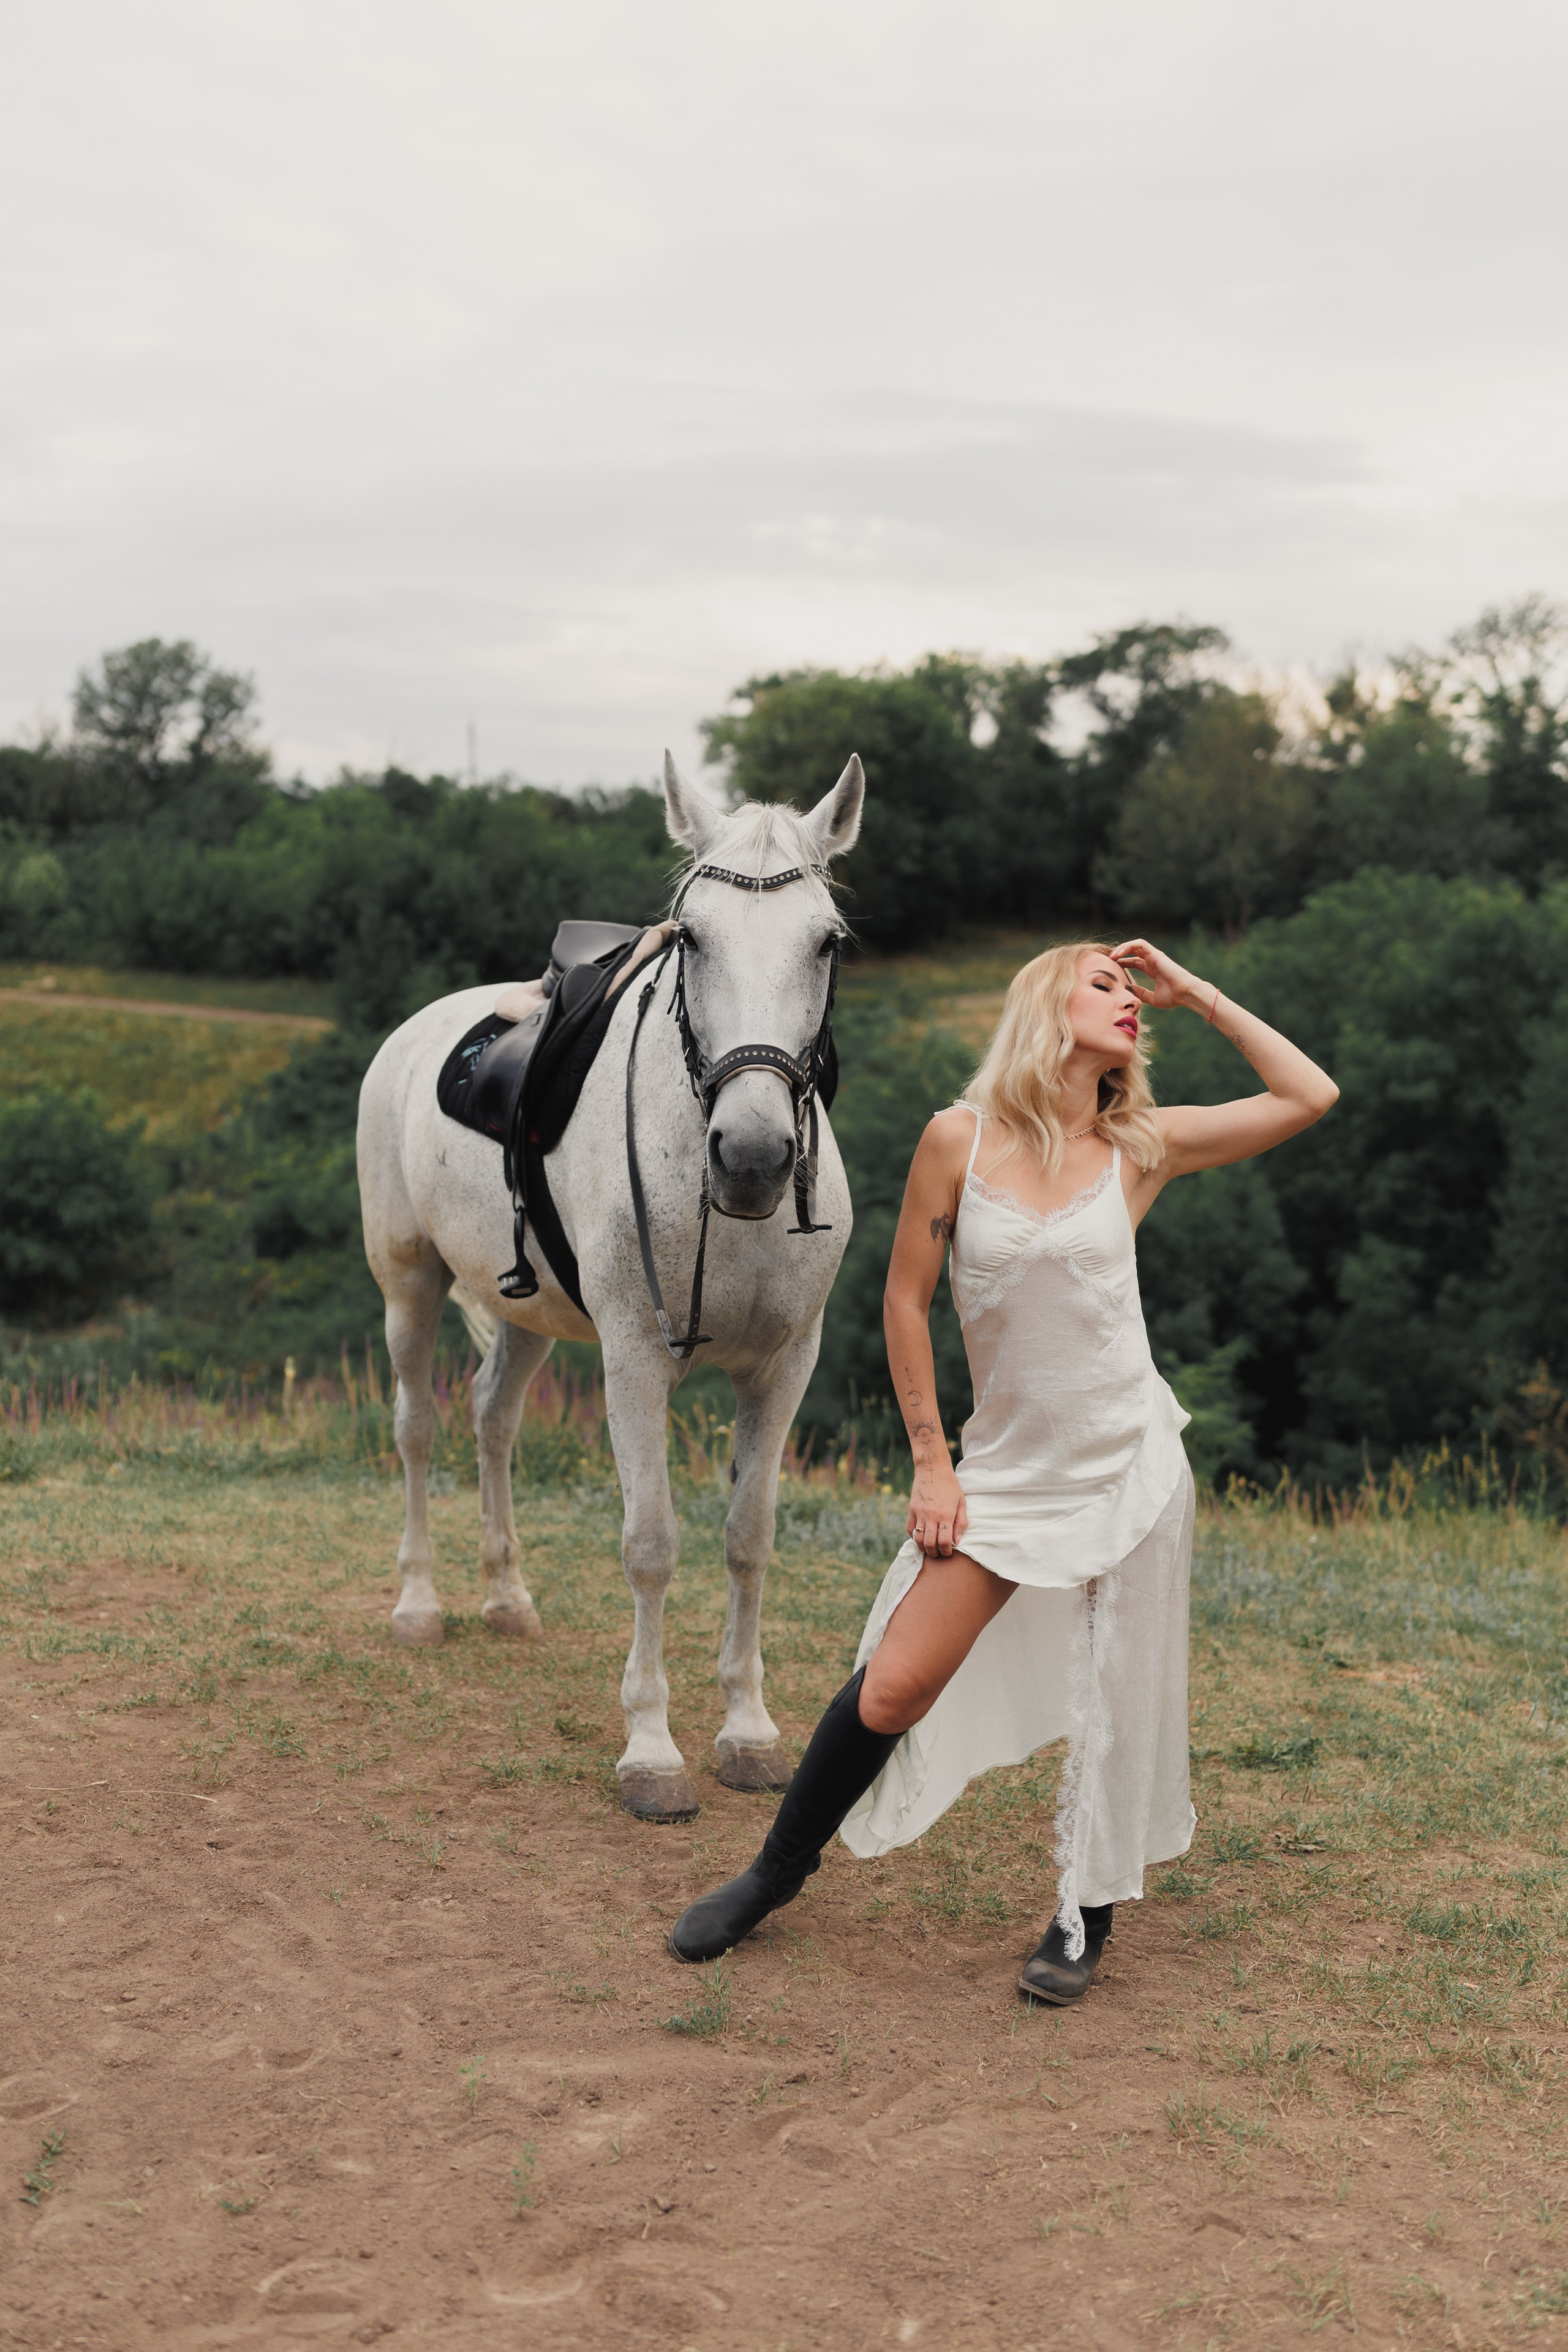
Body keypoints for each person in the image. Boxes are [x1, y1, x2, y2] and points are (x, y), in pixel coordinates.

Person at [668, 938, 1338, 2003]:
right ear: (1046, 1004)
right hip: (1006, 1474)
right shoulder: (958, 1140)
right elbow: (903, 1301)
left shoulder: (1141, 1145)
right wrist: (934, 1465)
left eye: (1136, 995)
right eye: (1107, 985)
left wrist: (1197, 993)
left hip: (1127, 1464)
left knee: (1113, 1697)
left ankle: (1085, 1912)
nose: (1130, 1006)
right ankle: (771, 1877)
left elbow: (1309, 1093)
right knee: (896, 1682)